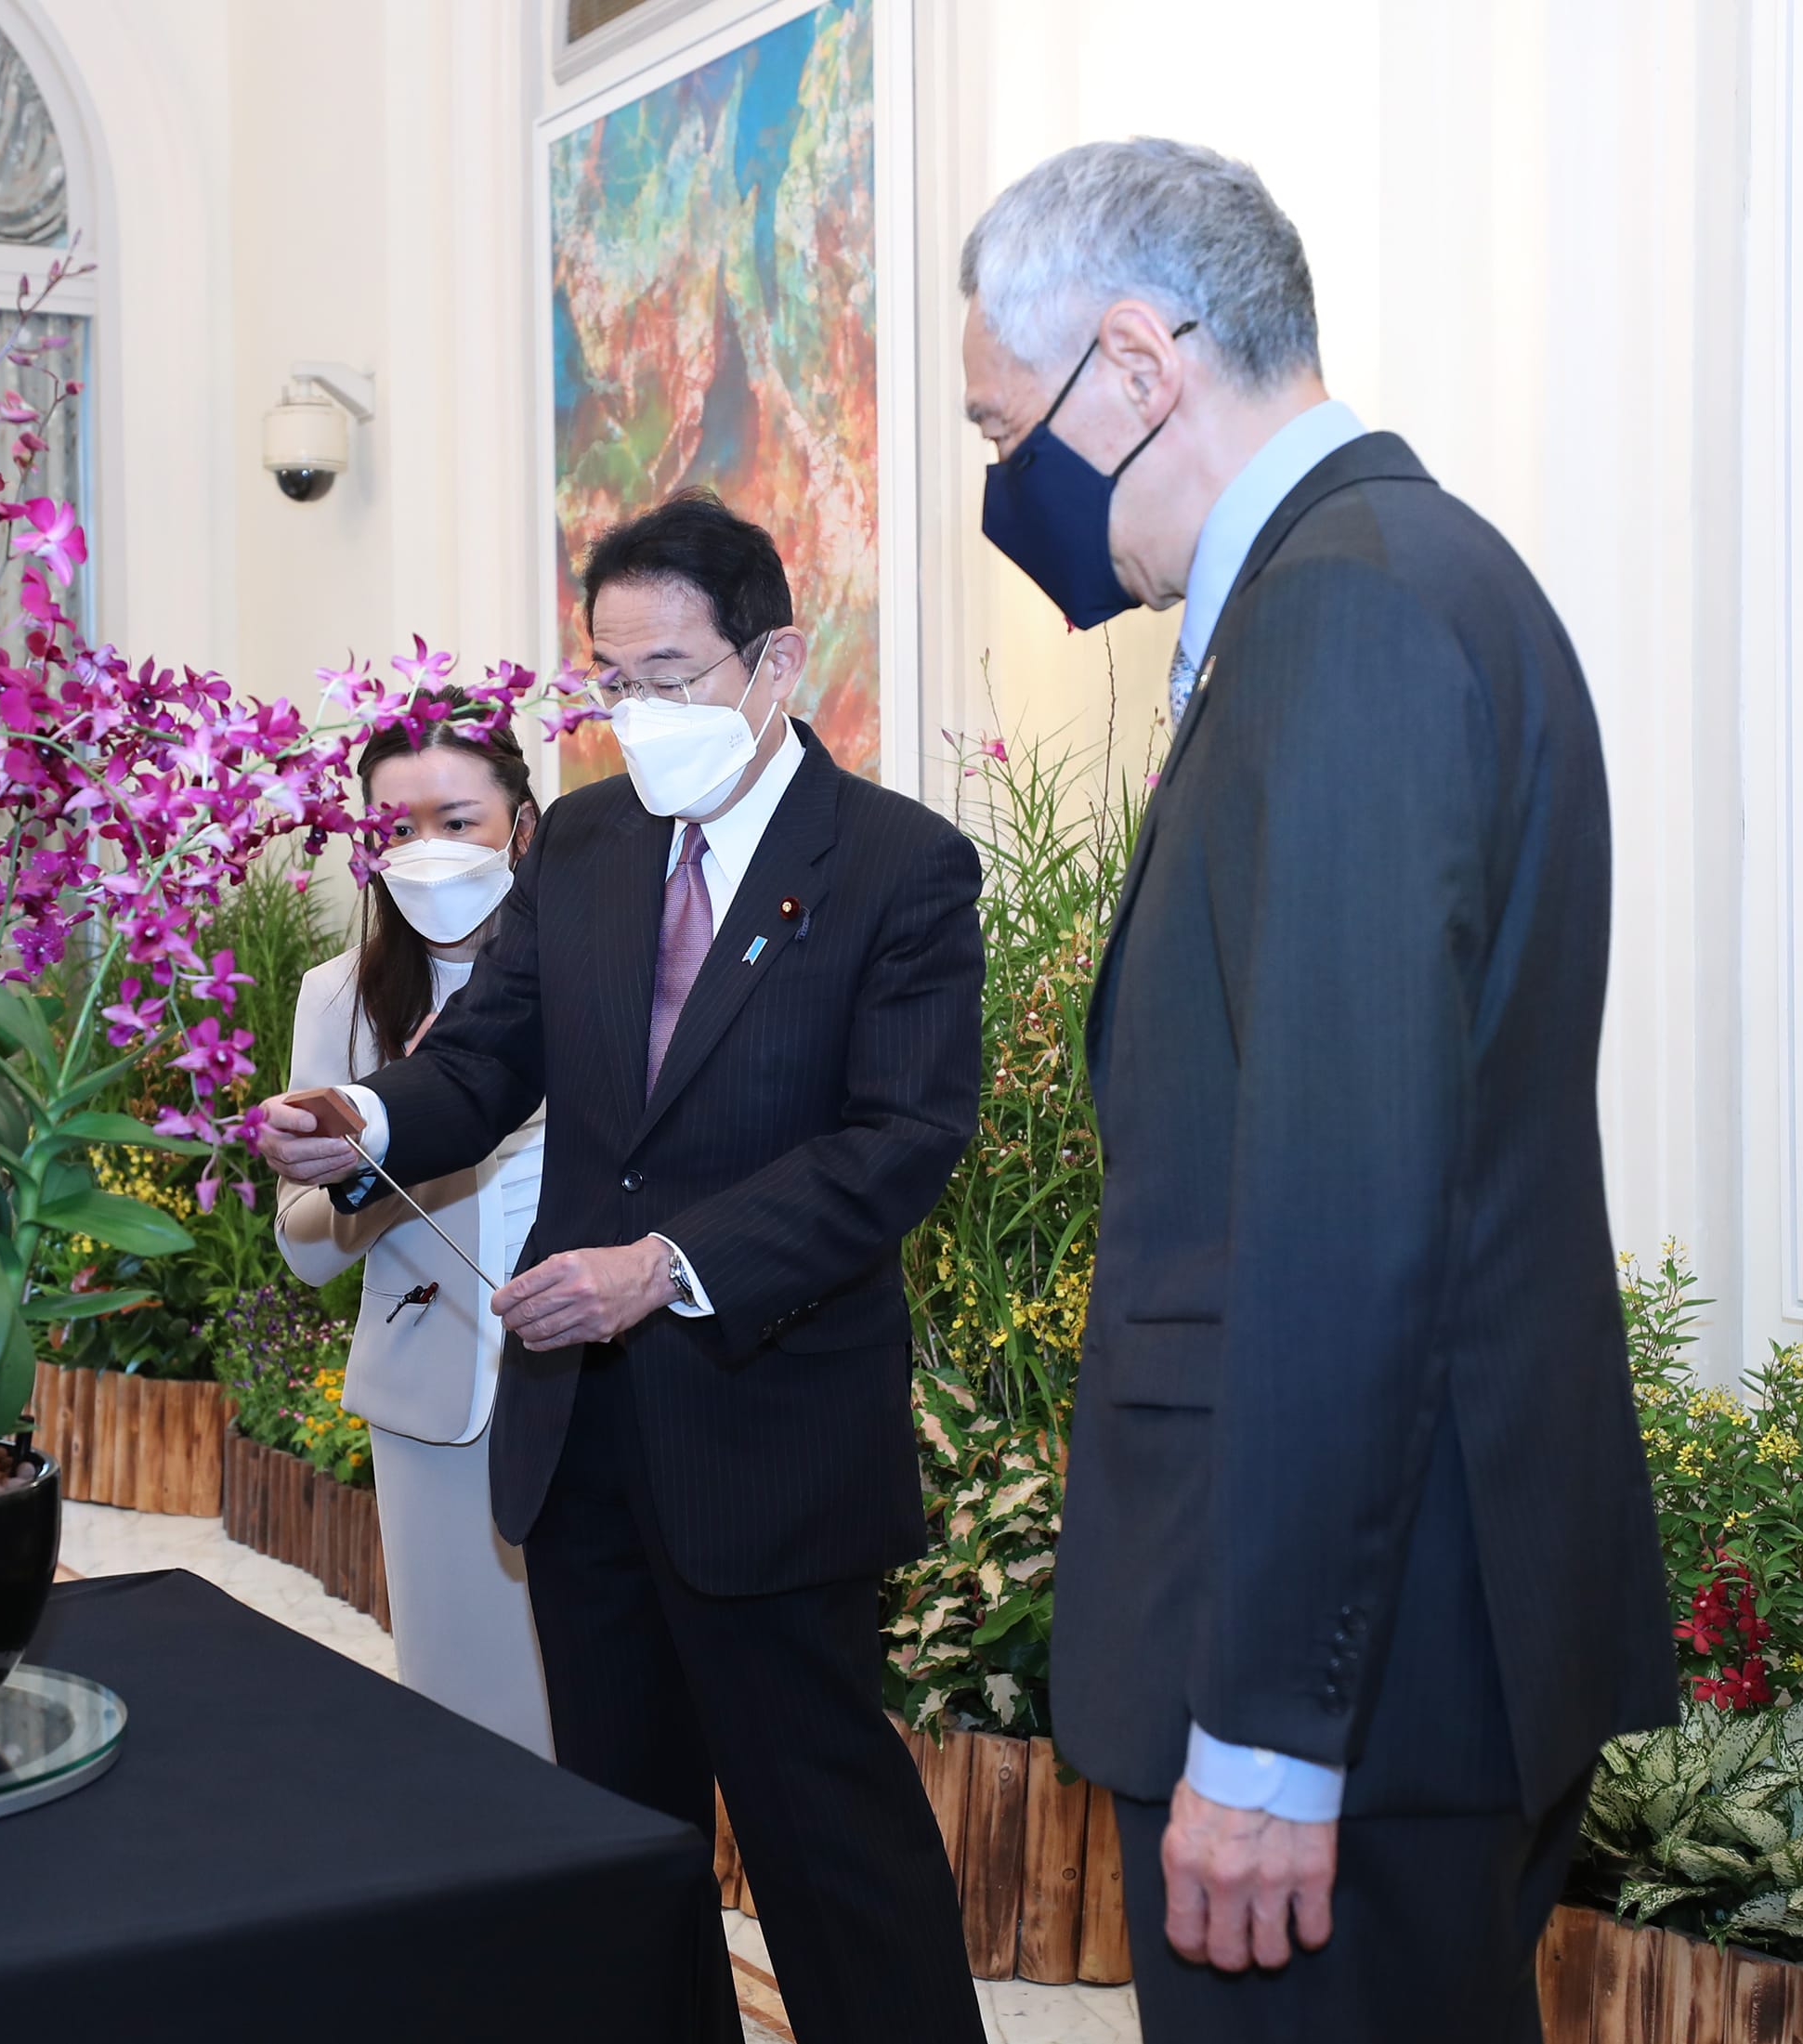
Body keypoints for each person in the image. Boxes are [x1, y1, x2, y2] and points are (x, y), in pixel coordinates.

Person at [959, 138, 1673, 2039]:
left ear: (1135, 364)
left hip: (1352, 1680)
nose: (1003, 486)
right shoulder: (1394, 577)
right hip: (1422, 1632)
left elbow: (1346, 1210)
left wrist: (1273, 1729)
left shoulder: (1343, 613)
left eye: (1003, 426)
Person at [259, 494, 986, 2044]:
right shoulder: (587, 844)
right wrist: (361, 1120)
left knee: (830, 1851)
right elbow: (487, 1059)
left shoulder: (895, 865)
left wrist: (667, 1264)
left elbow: (897, 1143)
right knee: (623, 1850)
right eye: (611, 680)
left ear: (774, 660)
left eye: (670, 676)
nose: (638, 714)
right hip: (579, 1429)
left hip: (768, 1432)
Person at [273, 697, 553, 1758]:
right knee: (462, 1710)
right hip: (433, 1399)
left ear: (523, 826)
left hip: (593, 1391)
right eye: (399, 827)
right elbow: (303, 1244)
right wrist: (406, 1120)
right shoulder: (338, 996)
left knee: (602, 1713)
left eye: (458, 820)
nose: (428, 849)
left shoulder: (599, 976)